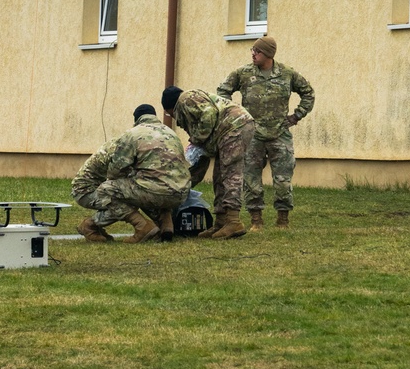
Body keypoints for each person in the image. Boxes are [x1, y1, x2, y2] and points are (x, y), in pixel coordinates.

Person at [216, 36, 314, 230]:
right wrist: (235, 115)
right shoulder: (242, 73)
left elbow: (308, 93)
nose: (253, 54)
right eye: (252, 50)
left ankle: (282, 219)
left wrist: (296, 116)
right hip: (252, 134)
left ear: (268, 54)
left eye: (257, 51)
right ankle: (256, 220)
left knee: (283, 180)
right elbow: (222, 91)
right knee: (251, 179)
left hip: (279, 133)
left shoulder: (287, 74)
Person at [72, 104, 190, 245]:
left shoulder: (132, 135)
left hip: (155, 190)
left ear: (137, 120)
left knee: (110, 190)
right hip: (181, 193)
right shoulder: (170, 133)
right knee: (147, 187)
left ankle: (139, 227)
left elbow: (115, 172)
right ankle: (166, 227)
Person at [162, 85, 254, 240]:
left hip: (234, 126)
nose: (174, 119)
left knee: (231, 174)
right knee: (219, 176)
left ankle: (233, 221)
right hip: (228, 130)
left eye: (170, 114)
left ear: (171, 107)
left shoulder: (185, 100)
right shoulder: (190, 99)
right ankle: (221, 222)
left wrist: (198, 138)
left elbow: (209, 113)